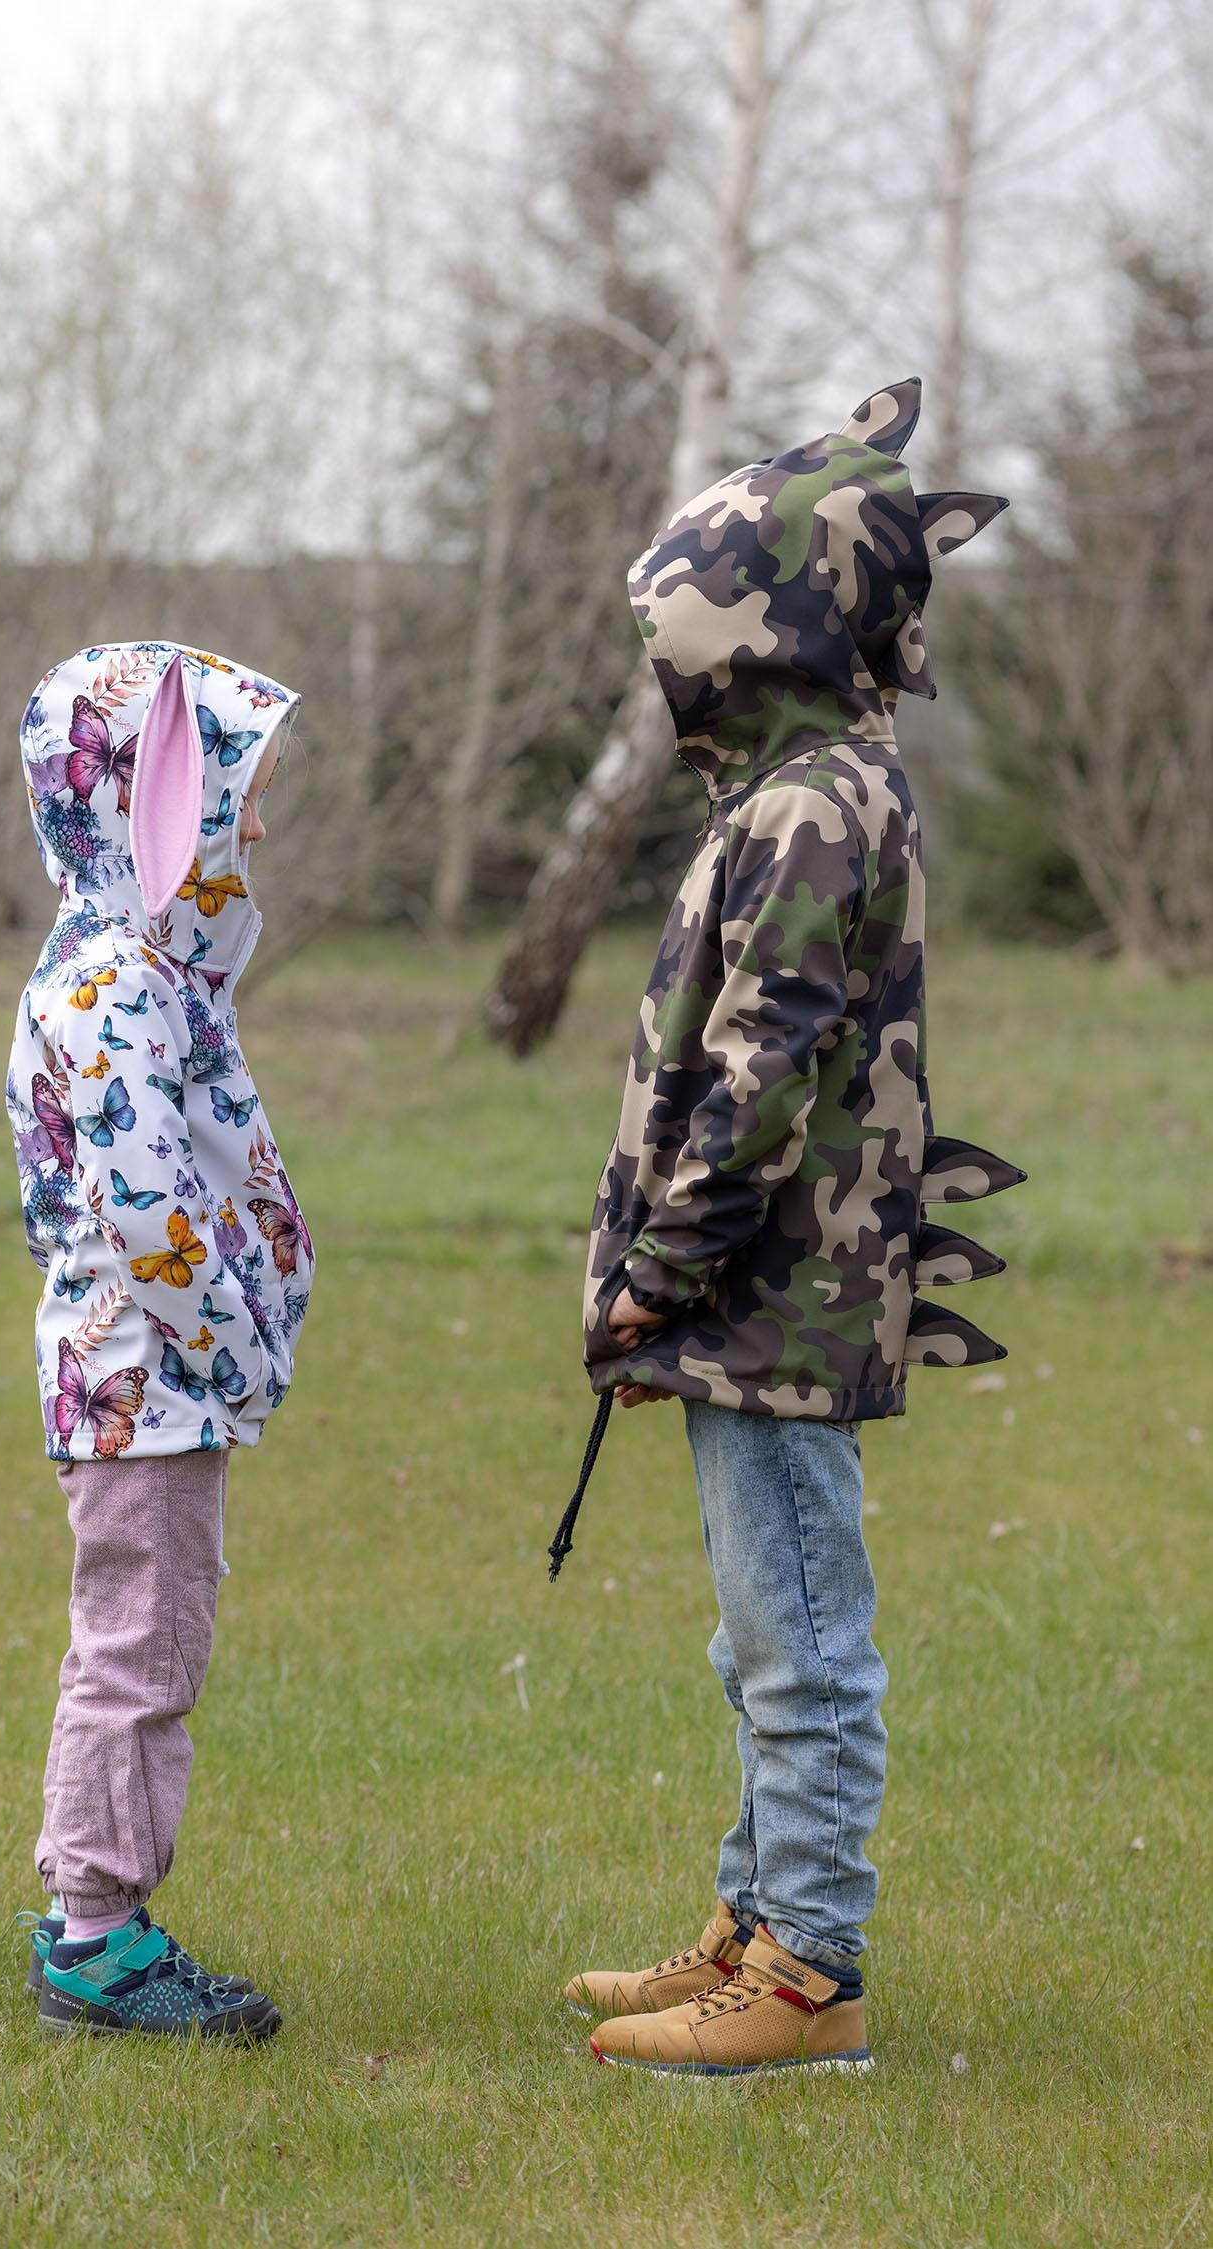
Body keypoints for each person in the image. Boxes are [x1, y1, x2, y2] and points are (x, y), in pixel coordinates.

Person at [557, 380, 1023, 2076]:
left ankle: (808, 1978)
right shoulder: (794, 789)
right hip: (747, 1297)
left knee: (805, 1632)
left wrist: (660, 1274)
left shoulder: (822, 799)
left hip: (775, 1291)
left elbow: (757, 1072)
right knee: (761, 1621)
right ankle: (757, 1918)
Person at [4, 640, 313, 2038]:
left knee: (132, 1638)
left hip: (140, 1380)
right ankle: (98, 1935)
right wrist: (238, 1347)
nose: (257, 827)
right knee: (145, 1649)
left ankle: (86, 1897)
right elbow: (148, 1214)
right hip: (151, 1382)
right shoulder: (116, 988)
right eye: (232, 794)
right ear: (149, 802)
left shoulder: (128, 971)